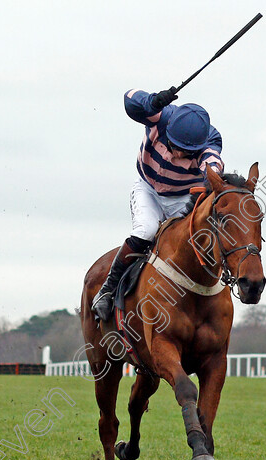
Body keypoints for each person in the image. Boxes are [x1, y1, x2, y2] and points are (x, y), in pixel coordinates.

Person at [91, 87, 225, 320]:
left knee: (196, 239)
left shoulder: (210, 140)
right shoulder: (163, 116)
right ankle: (107, 290)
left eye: (186, 151)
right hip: (148, 189)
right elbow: (130, 98)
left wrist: (213, 175)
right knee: (146, 231)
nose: (178, 154)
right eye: (175, 146)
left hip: (183, 197)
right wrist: (153, 102)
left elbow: (212, 165)